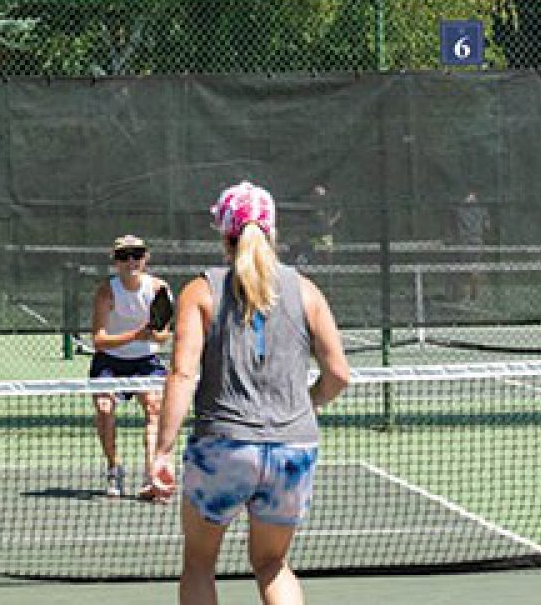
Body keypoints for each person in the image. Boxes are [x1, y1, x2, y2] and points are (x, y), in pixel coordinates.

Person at [148, 182, 350, 605]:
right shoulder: (307, 291)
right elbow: (338, 376)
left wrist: (161, 451)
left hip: (223, 447)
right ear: (272, 231)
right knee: (273, 564)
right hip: (293, 450)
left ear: (223, 233)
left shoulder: (200, 291)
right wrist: (303, 404)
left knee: (200, 565)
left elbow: (183, 374)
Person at [89, 234, 173, 499]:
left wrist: (152, 335)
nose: (131, 261)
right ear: (116, 262)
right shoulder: (106, 292)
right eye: (124, 256)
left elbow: (163, 335)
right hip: (109, 361)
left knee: (153, 407)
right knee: (104, 409)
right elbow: (99, 340)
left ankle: (152, 476)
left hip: (145, 361)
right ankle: (114, 467)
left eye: (136, 255)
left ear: (145, 258)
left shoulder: (159, 289)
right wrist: (135, 335)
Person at [450, 189, 491, 302]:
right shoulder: (482, 209)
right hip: (476, 241)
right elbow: (487, 226)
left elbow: (452, 226)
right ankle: (473, 296)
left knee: (461, 268)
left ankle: (462, 295)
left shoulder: (457, 209)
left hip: (463, 242)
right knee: (474, 268)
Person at [307, 183, 341, 264]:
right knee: (314, 252)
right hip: (314, 232)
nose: (317, 196)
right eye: (315, 194)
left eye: (319, 194)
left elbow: (338, 212)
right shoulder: (311, 204)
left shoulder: (329, 203)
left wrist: (331, 221)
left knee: (328, 253)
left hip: (326, 232)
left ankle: (329, 273)